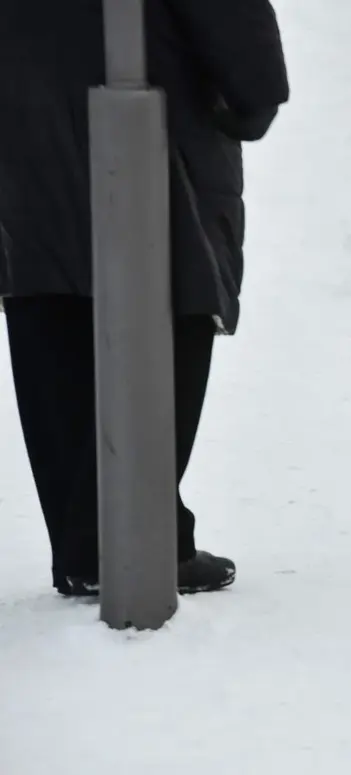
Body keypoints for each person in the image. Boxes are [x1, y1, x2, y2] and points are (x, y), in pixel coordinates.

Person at [0, 0, 289, 594]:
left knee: (46, 287)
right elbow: (243, 56)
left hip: (20, 113)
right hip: (158, 112)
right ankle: (136, 540)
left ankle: (85, 544)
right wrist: (251, 94)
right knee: (164, 287)